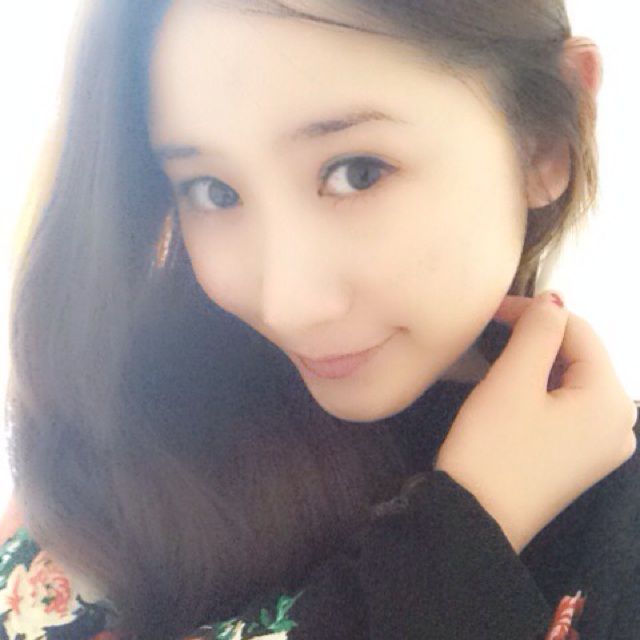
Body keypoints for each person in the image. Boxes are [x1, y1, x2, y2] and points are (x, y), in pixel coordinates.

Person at [1, 0, 638, 638]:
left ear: (545, 141)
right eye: (213, 191)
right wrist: (464, 534)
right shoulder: (121, 433)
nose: (287, 304)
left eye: (357, 173)